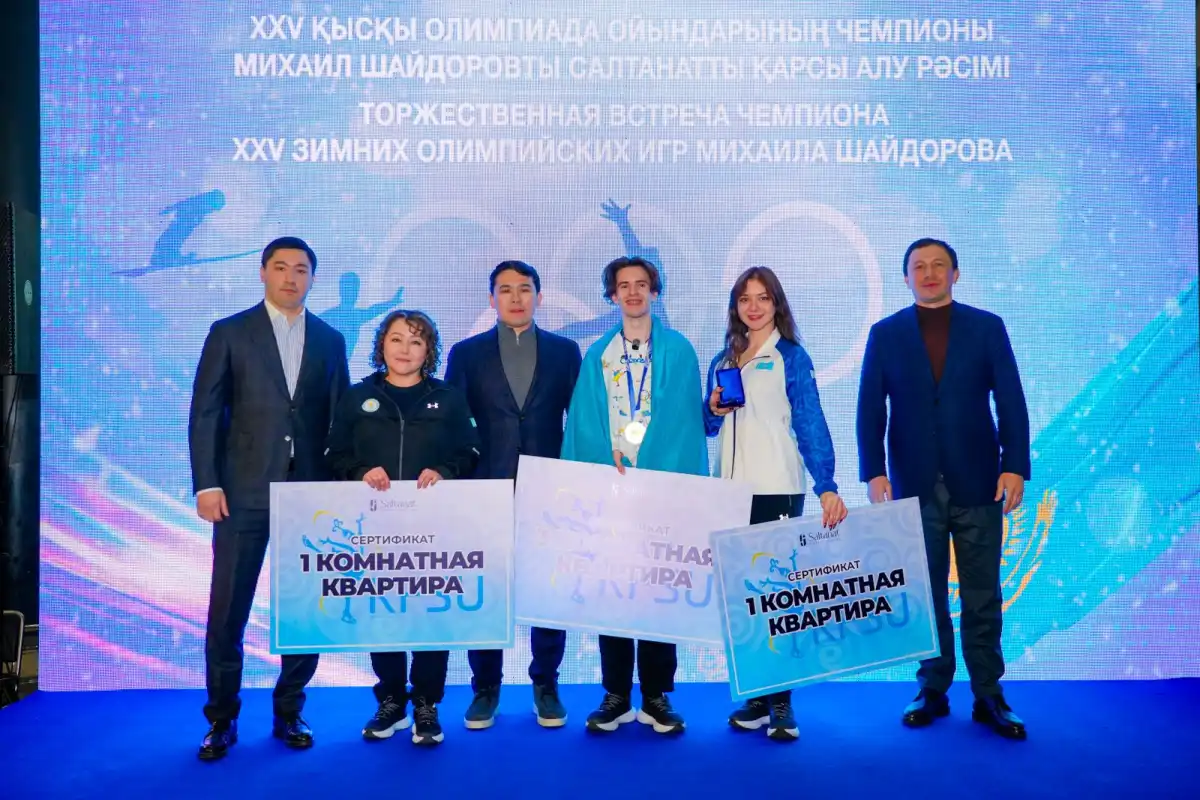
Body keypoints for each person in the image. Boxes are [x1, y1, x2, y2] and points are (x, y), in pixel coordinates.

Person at [856, 238, 1031, 741]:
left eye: (939, 265)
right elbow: (870, 407)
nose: (929, 273)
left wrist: (1015, 466)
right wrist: (874, 472)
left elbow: (1011, 400)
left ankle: (988, 693)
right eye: (919, 266)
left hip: (979, 481)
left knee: (982, 594)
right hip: (912, 484)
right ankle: (932, 687)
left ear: (956, 274)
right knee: (924, 593)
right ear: (905, 277)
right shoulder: (885, 333)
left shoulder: (987, 327)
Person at [189, 236, 350, 761]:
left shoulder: (330, 339)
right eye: (280, 267)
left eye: (301, 269)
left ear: (312, 278)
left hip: (310, 497)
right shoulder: (230, 332)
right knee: (228, 609)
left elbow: (339, 422)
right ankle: (221, 718)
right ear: (263, 272)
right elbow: (206, 413)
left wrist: (342, 489)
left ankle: (289, 711)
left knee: (304, 610)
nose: (290, 277)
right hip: (242, 494)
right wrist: (207, 483)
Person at [561, 255, 708, 735]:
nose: (632, 292)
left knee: (659, 587)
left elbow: (685, 424)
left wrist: (657, 469)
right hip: (612, 487)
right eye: (623, 285)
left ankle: (657, 695)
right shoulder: (598, 355)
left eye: (641, 284)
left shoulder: (680, 351)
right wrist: (604, 458)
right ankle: (616, 694)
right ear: (612, 295)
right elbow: (583, 422)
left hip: (661, 489)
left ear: (654, 292)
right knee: (615, 589)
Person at [703, 266, 848, 742]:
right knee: (744, 600)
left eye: (763, 298)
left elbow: (809, 419)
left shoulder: (791, 356)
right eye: (745, 298)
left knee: (778, 596)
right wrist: (713, 409)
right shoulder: (723, 358)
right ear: (735, 306)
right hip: (730, 493)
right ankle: (757, 696)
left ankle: (782, 704)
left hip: (777, 489)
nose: (753, 306)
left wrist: (826, 483)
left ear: (776, 304)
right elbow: (708, 425)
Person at [325, 309, 482, 747]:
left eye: (416, 341)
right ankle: (391, 700)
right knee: (384, 612)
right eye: (396, 339)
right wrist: (360, 472)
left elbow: (471, 450)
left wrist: (444, 471)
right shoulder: (358, 397)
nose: (405, 349)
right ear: (382, 345)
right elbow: (333, 453)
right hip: (373, 527)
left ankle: (427, 704)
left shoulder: (448, 398)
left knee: (430, 614)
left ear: (428, 351)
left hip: (433, 527)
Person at [445, 260, 583, 730]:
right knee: (486, 593)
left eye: (524, 289)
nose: (516, 298)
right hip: (486, 491)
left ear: (539, 297)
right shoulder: (466, 355)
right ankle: (485, 688)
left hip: (550, 491)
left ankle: (546, 685)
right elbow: (453, 426)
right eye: (505, 290)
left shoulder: (565, 352)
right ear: (492, 300)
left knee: (549, 592)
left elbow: (581, 421)